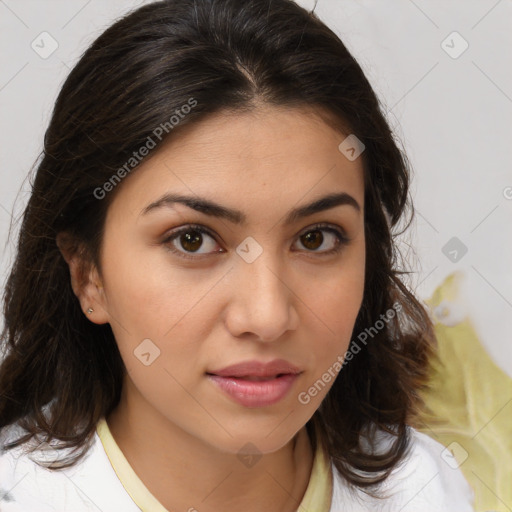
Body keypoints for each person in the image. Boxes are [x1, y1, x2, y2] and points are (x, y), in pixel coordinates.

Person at [0, 0, 474, 510]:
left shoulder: (425, 489)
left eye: (316, 238)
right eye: (193, 240)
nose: (267, 317)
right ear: (88, 275)